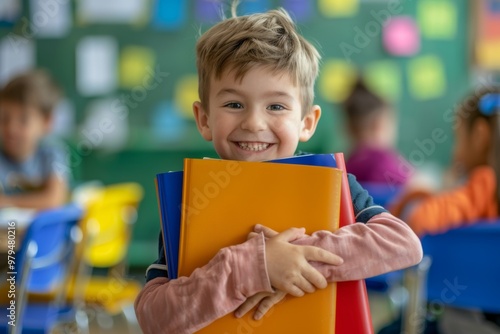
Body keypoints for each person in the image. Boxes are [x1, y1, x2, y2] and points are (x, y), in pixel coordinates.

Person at [134, 7, 423, 334]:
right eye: (234, 104)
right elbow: (153, 319)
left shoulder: (331, 182)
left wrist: (293, 260)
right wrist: (254, 267)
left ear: (307, 122)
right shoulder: (189, 199)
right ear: (204, 119)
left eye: (276, 106)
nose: (254, 123)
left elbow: (403, 244)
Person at [380, 88, 500, 334]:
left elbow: (421, 219)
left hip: (464, 324)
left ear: (479, 136)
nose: (455, 152)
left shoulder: (485, 182)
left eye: (458, 139)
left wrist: (422, 197)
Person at [0, 69, 69, 210]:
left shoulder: (52, 154)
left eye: (23, 120)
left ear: (47, 122)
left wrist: (6, 202)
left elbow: (54, 200)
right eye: (4, 118)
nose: (11, 128)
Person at [341, 78, 410, 188]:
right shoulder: (386, 161)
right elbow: (415, 189)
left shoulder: (345, 164)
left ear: (348, 128)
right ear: (380, 124)